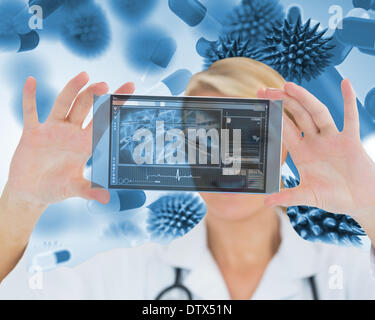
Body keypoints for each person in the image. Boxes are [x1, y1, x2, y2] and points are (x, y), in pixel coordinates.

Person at [1, 57, 375, 300]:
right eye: (204, 136)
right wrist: (20, 202)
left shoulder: (349, 276)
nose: (226, 160)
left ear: (286, 147)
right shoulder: (122, 277)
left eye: (249, 134)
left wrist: (369, 203)